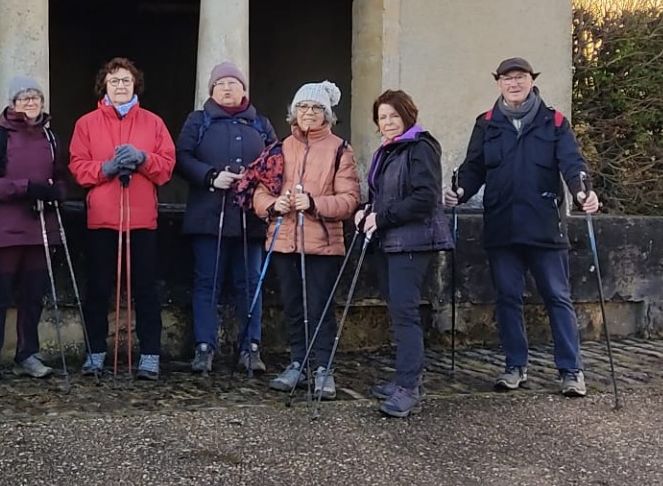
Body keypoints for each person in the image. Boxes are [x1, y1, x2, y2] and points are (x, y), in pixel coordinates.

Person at [446, 57, 599, 397]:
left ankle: (571, 370)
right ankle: (515, 366)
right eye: (507, 78)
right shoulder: (486, 123)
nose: (514, 84)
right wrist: (459, 192)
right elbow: (473, 169)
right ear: (498, 83)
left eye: (520, 77)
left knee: (557, 297)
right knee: (507, 298)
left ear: (532, 81)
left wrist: (582, 192)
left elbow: (572, 163)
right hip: (502, 225)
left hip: (545, 225)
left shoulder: (554, 122)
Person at [69, 57, 176, 377]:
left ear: (135, 85)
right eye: (114, 80)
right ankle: (96, 352)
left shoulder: (153, 123)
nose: (120, 86)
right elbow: (78, 167)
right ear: (104, 85)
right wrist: (106, 169)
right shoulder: (86, 123)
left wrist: (143, 159)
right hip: (102, 219)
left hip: (141, 219)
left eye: (126, 81)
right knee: (98, 290)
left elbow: (166, 167)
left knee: (146, 290)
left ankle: (150, 354)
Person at [255, 82, 362, 399]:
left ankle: (323, 368)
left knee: (320, 308)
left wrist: (314, 203)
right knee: (292, 307)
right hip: (284, 240)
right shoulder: (279, 148)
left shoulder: (340, 149)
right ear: (294, 111)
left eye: (316, 108)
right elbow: (260, 192)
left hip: (322, 244)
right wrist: (274, 204)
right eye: (303, 107)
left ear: (327, 114)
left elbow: (349, 200)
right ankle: (298, 363)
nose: (309, 113)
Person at [174, 61, 276, 374]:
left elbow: (276, 162)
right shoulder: (198, 120)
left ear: (244, 89)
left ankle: (251, 348)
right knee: (207, 283)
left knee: (250, 284)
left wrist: (253, 178)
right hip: (209, 217)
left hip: (251, 218)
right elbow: (181, 158)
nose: (227, 88)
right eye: (220, 84)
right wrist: (210, 176)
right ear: (212, 91)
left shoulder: (261, 123)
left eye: (233, 83)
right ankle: (204, 347)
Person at [359, 90, 452, 418]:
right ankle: (404, 377)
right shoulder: (388, 150)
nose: (387, 122)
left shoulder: (420, 146)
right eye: (382, 117)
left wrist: (381, 217)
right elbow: (381, 196)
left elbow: (425, 197)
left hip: (413, 242)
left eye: (393, 116)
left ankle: (409, 387)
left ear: (407, 116)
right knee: (398, 311)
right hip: (389, 241)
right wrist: (365, 211)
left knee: (406, 313)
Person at [0, 75, 70, 381]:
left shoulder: (50, 138)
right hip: (6, 230)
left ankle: (28, 354)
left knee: (33, 295)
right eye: (24, 98)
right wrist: (25, 188)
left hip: (41, 228)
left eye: (35, 98)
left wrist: (56, 193)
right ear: (13, 103)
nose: (31, 103)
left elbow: (60, 176)